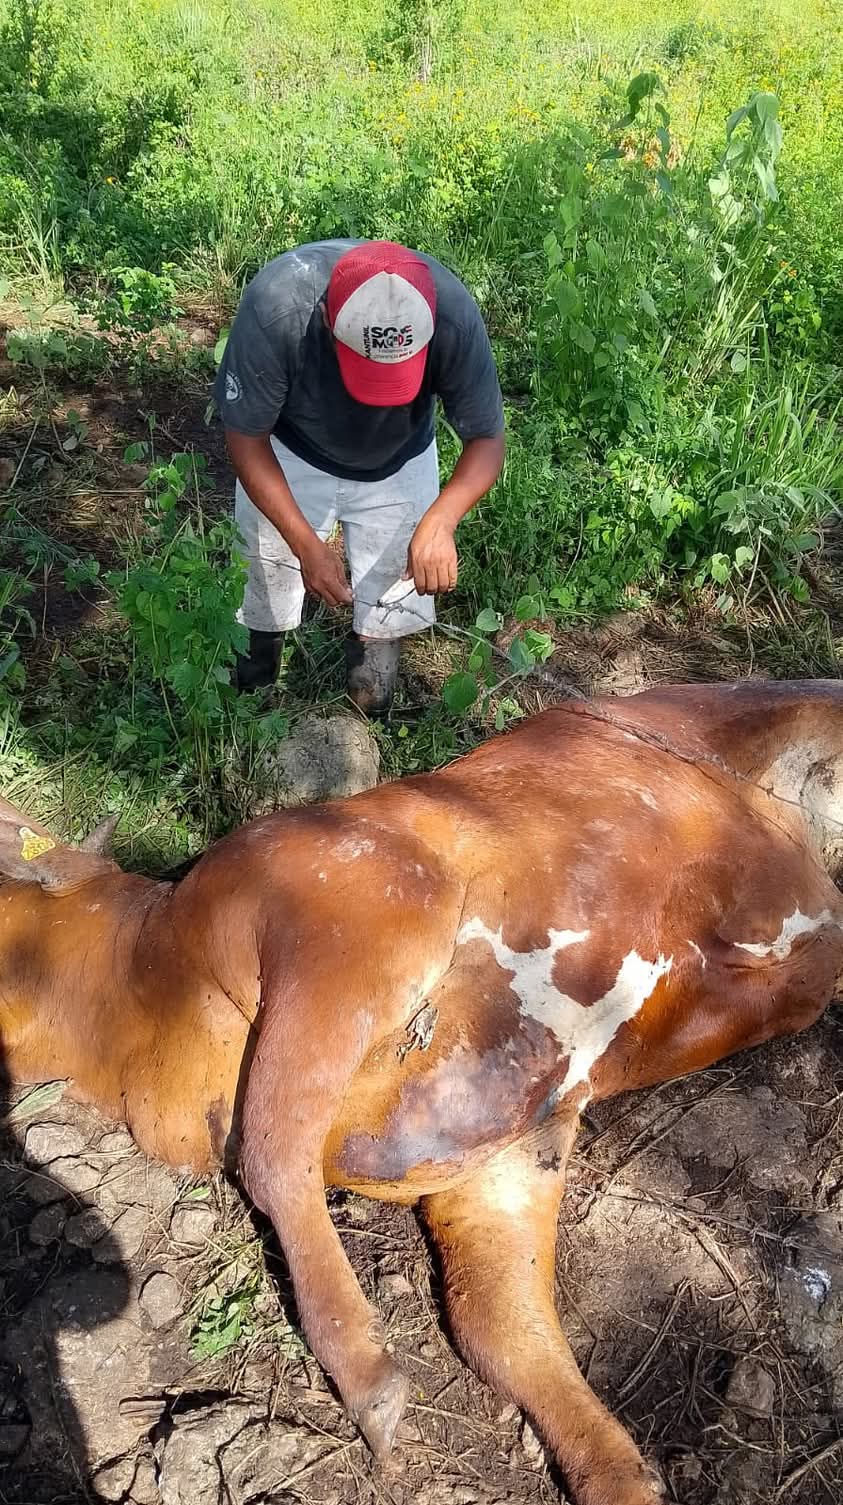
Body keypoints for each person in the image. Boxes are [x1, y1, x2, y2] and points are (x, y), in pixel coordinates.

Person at [214, 239, 505, 714]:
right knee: (266, 582)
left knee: (389, 602)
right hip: (290, 449)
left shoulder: (450, 314)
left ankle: (370, 713)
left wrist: (442, 520)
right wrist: (306, 545)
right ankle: (251, 700)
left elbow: (488, 440)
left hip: (400, 457)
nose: (377, 395)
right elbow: (246, 438)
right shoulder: (278, 308)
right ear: (328, 320)